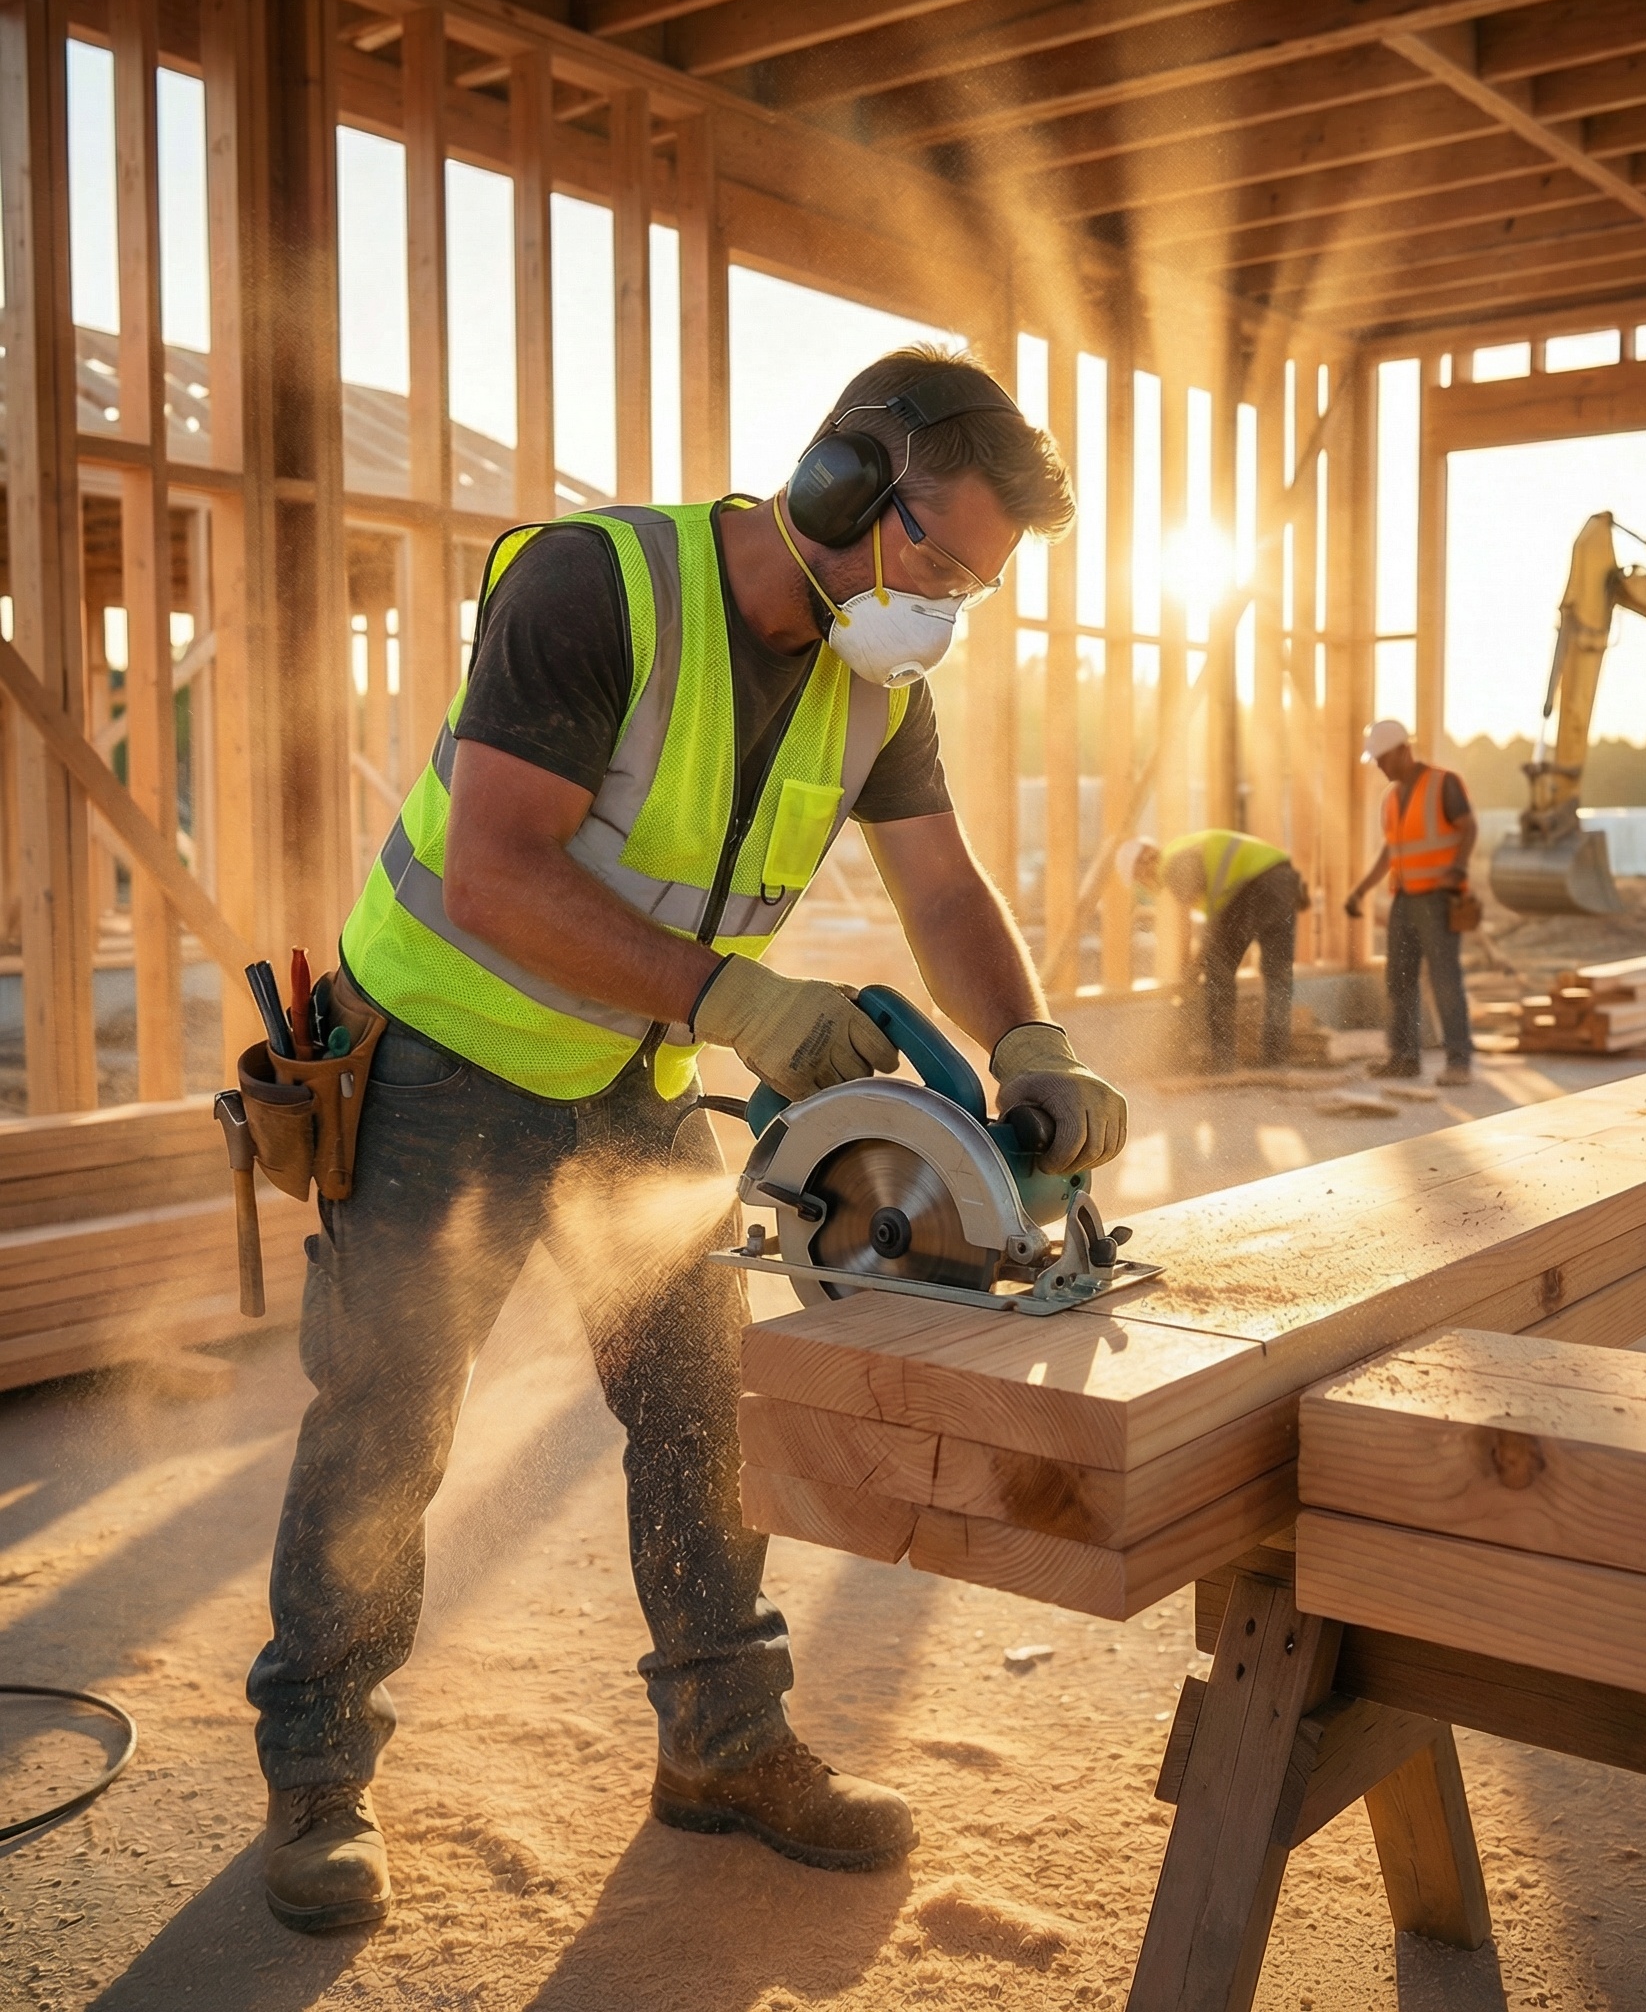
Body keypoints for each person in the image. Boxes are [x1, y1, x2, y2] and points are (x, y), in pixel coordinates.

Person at [248, 346, 1130, 1933]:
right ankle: (317, 1772)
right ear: (839, 481)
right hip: (440, 1057)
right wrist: (748, 1004)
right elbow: (496, 878)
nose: (945, 602)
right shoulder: (600, 589)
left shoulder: (878, 677)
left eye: (978, 585)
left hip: (632, 1071)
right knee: (389, 1412)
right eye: (936, 555)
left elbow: (942, 888)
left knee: (704, 1403)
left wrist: (1032, 1044)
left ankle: (722, 1740)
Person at [1345, 718, 1478, 1086]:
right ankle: (1403, 1058)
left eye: (1383, 758)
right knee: (1399, 980)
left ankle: (1458, 1061)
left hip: (1438, 897)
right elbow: (1391, 851)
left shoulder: (1443, 784)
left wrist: (1457, 870)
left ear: (1404, 750)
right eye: (1375, 760)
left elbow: (1469, 827)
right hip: (1404, 898)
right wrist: (1361, 890)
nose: (1379, 766)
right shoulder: (1391, 798)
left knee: (1444, 978)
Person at [1118, 829, 1303, 1069]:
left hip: (1250, 887)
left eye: (1139, 877)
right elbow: (1216, 922)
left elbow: (1200, 925)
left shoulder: (1173, 863)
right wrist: (1198, 963)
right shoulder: (1185, 851)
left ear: (1145, 861)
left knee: (1219, 975)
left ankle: (1222, 1059)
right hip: (1283, 878)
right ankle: (1275, 1059)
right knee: (1278, 973)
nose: (1144, 883)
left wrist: (1191, 973)